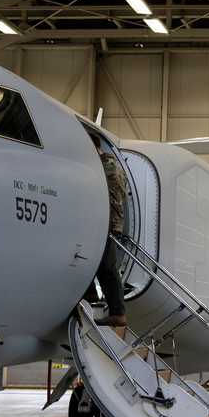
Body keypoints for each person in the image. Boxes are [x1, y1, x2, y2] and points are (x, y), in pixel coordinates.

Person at [92, 139, 130, 336]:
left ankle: (117, 312)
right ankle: (115, 311)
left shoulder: (105, 166)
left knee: (106, 267)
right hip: (106, 223)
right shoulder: (108, 164)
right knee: (104, 266)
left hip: (105, 224)